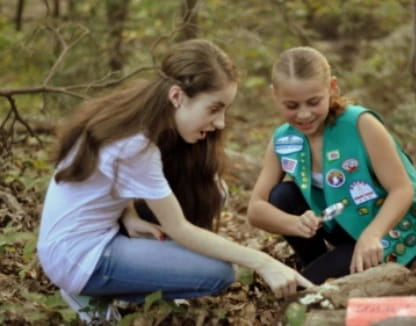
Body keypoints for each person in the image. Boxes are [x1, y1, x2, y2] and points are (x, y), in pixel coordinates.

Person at [37, 39, 313, 322]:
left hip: (70, 246)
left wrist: (129, 213)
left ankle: (99, 285)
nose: (220, 122)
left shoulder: (127, 118)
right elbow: (180, 228)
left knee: (215, 195)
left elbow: (106, 178)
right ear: (177, 96)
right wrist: (265, 263)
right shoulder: (136, 145)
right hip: (80, 258)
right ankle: (91, 295)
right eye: (214, 109)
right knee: (219, 273)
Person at [247, 46, 416, 285]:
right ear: (274, 96)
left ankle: (325, 272)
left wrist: (372, 234)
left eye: (313, 102)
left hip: (392, 229)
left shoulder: (360, 123)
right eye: (291, 106)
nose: (304, 115)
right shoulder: (283, 140)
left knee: (305, 295)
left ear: (332, 88)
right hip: (346, 226)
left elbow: (402, 190)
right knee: (282, 195)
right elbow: (256, 209)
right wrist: (296, 224)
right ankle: (317, 264)